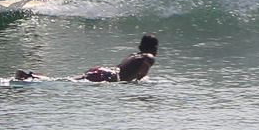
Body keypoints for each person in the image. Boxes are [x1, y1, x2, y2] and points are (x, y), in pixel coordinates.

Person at [15, 34, 158, 83]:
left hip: (103, 70)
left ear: (140, 47)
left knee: (68, 79)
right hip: (108, 76)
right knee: (67, 81)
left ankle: (30, 76)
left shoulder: (133, 55)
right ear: (155, 48)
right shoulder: (149, 56)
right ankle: (30, 76)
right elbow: (142, 72)